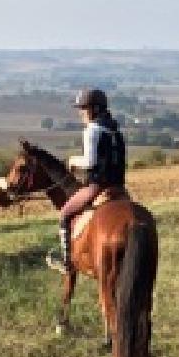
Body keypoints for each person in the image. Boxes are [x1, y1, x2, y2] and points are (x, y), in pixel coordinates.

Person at [46, 87, 126, 272]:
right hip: (119, 187)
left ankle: (67, 262)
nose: (81, 113)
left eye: (83, 108)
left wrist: (73, 161)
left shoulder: (92, 130)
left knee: (65, 214)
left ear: (94, 109)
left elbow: (90, 162)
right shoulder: (114, 130)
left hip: (98, 186)